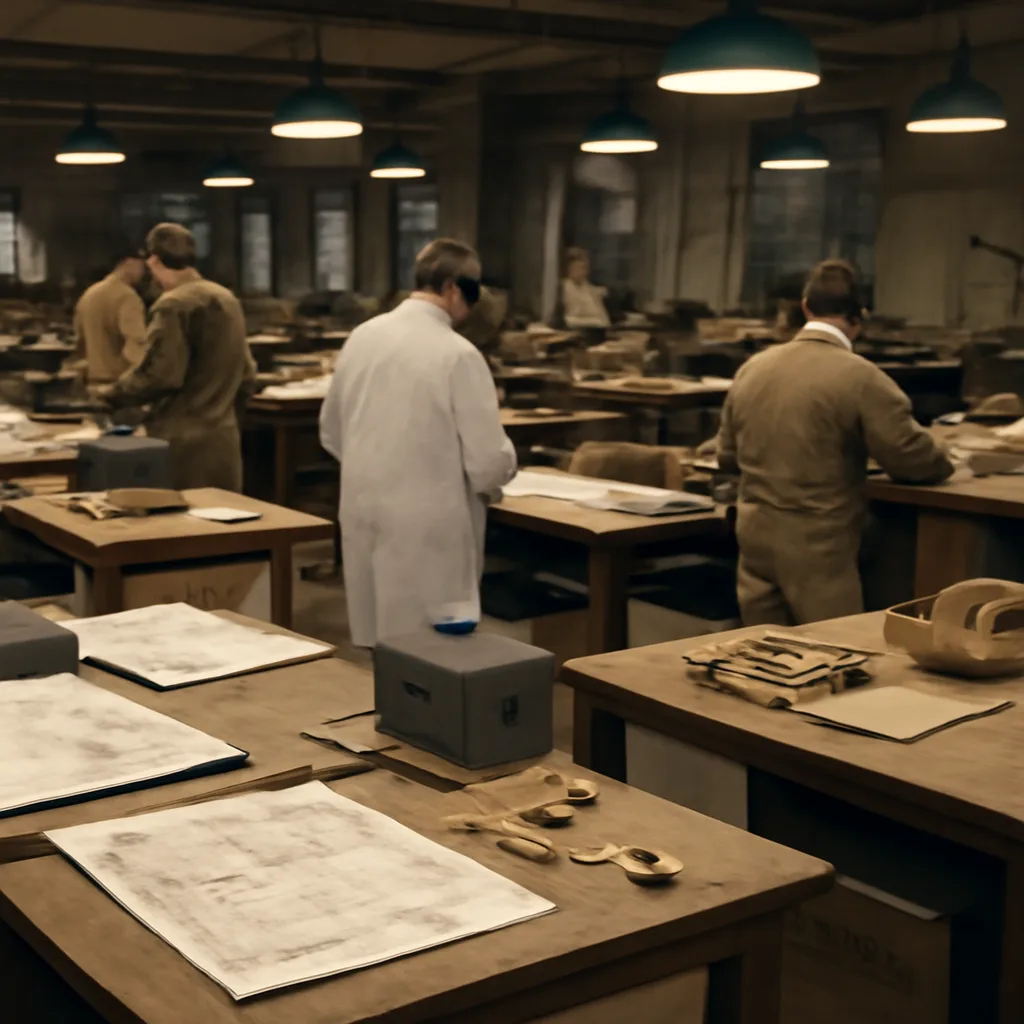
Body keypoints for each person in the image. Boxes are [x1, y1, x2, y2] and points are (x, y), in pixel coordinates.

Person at [717, 259, 954, 626]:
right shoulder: (860, 377)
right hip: (818, 547)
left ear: (806, 306)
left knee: (760, 659)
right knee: (834, 654)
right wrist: (945, 458)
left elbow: (727, 456)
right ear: (860, 316)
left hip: (755, 537)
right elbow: (911, 458)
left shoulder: (753, 368)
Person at [319, 238, 517, 647]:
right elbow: (486, 463)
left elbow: (331, 431)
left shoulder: (362, 336)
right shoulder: (458, 354)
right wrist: (506, 465)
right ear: (450, 286)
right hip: (428, 527)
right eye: (474, 289)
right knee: (430, 662)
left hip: (363, 510)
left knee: (379, 647)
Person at [100, 223, 256, 491]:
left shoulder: (173, 304)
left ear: (154, 260)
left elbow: (160, 375)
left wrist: (111, 394)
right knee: (223, 525)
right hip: (223, 441)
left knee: (181, 527)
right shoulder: (226, 298)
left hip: (182, 446)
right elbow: (247, 373)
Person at [73, 245, 148, 386]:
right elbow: (136, 344)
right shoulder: (127, 297)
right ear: (129, 263)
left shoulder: (89, 293)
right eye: (142, 266)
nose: (143, 272)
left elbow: (79, 342)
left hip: (92, 383)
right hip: (117, 385)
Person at [559, 248, 610, 328]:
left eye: (586, 268)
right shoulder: (562, 289)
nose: (585, 272)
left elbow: (604, 320)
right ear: (569, 268)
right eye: (581, 268)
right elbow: (566, 320)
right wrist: (595, 322)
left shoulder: (589, 289)